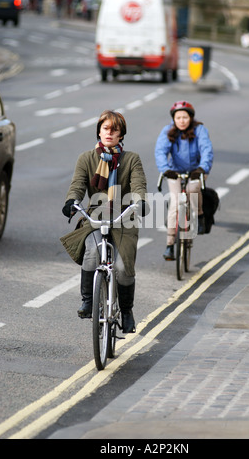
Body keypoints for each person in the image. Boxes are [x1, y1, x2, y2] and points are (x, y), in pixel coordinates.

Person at [60, 110, 148, 333]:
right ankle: (88, 301)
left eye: (114, 129)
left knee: (122, 267)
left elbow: (138, 185)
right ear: (99, 131)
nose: (109, 132)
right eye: (105, 128)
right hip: (95, 217)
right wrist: (72, 201)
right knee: (91, 253)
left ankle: (126, 311)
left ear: (121, 135)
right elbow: (78, 185)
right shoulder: (86, 158)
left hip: (123, 218)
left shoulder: (131, 159)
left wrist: (140, 202)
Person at [155, 100, 213, 261]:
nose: (181, 121)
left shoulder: (200, 130)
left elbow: (207, 150)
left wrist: (202, 168)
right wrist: (166, 169)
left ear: (191, 118)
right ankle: (169, 245)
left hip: (196, 171)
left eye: (185, 117)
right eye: (178, 117)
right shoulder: (168, 130)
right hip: (175, 172)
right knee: (175, 203)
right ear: (173, 119)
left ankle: (199, 215)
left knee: (193, 190)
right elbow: (160, 151)